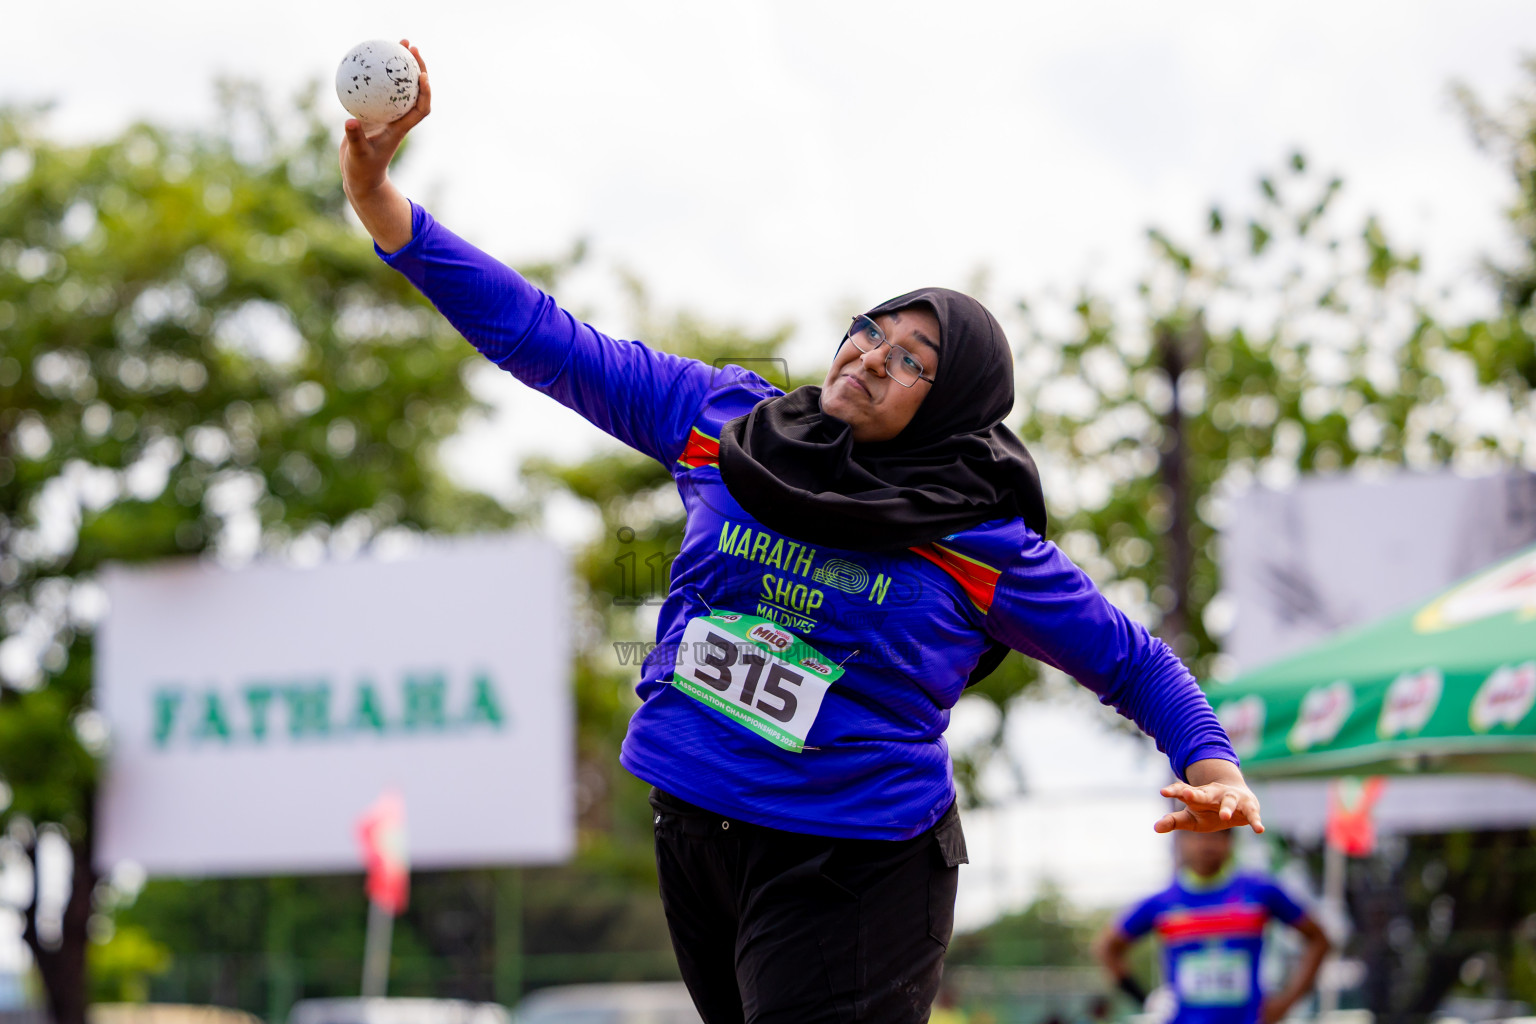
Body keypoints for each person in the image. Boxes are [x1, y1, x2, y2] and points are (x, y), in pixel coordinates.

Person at [339, 41, 1266, 1024]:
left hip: (856, 864)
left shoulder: (973, 535)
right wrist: (380, 204)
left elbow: (1131, 662)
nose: (872, 356)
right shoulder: (723, 424)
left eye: (913, 361)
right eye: (873, 328)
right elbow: (541, 335)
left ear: (948, 405)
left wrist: (1212, 766)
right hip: (698, 828)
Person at [1094, 831, 1331, 1024]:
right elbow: (1107, 948)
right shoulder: (1161, 902)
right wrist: (1145, 1000)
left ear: (1230, 841)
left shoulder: (1260, 891)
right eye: (1196, 835)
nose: (1206, 844)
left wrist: (1287, 1003)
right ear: (1180, 841)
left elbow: (1319, 939)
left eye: (1217, 834)